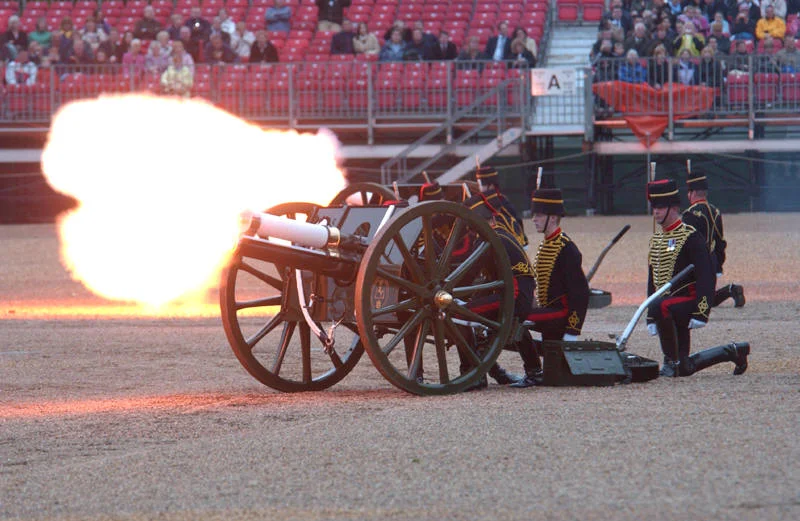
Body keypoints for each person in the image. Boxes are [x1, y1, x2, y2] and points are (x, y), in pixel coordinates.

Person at [645, 179, 749, 377]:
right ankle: (734, 351)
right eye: (654, 207)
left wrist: (702, 310)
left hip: (688, 301)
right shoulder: (656, 239)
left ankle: (670, 361)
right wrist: (650, 314)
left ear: (673, 207)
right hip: (669, 304)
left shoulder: (691, 236)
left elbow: (705, 275)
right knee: (685, 369)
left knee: (661, 306)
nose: (656, 212)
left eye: (660, 207)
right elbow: (653, 279)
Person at [517, 188, 590, 387]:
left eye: (539, 215)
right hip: (548, 309)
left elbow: (580, 293)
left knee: (518, 321)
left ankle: (534, 371)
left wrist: (573, 330)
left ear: (553, 217)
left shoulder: (567, 248)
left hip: (561, 314)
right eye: (534, 215)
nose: (534, 219)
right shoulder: (545, 245)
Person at [682, 170, 746, 308]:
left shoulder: (689, 214)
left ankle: (730, 290)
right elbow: (720, 242)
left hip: (695, 267)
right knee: (705, 298)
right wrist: (718, 264)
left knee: (699, 301)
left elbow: (685, 244)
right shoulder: (715, 212)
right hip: (712, 262)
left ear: (692, 193)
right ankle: (731, 290)